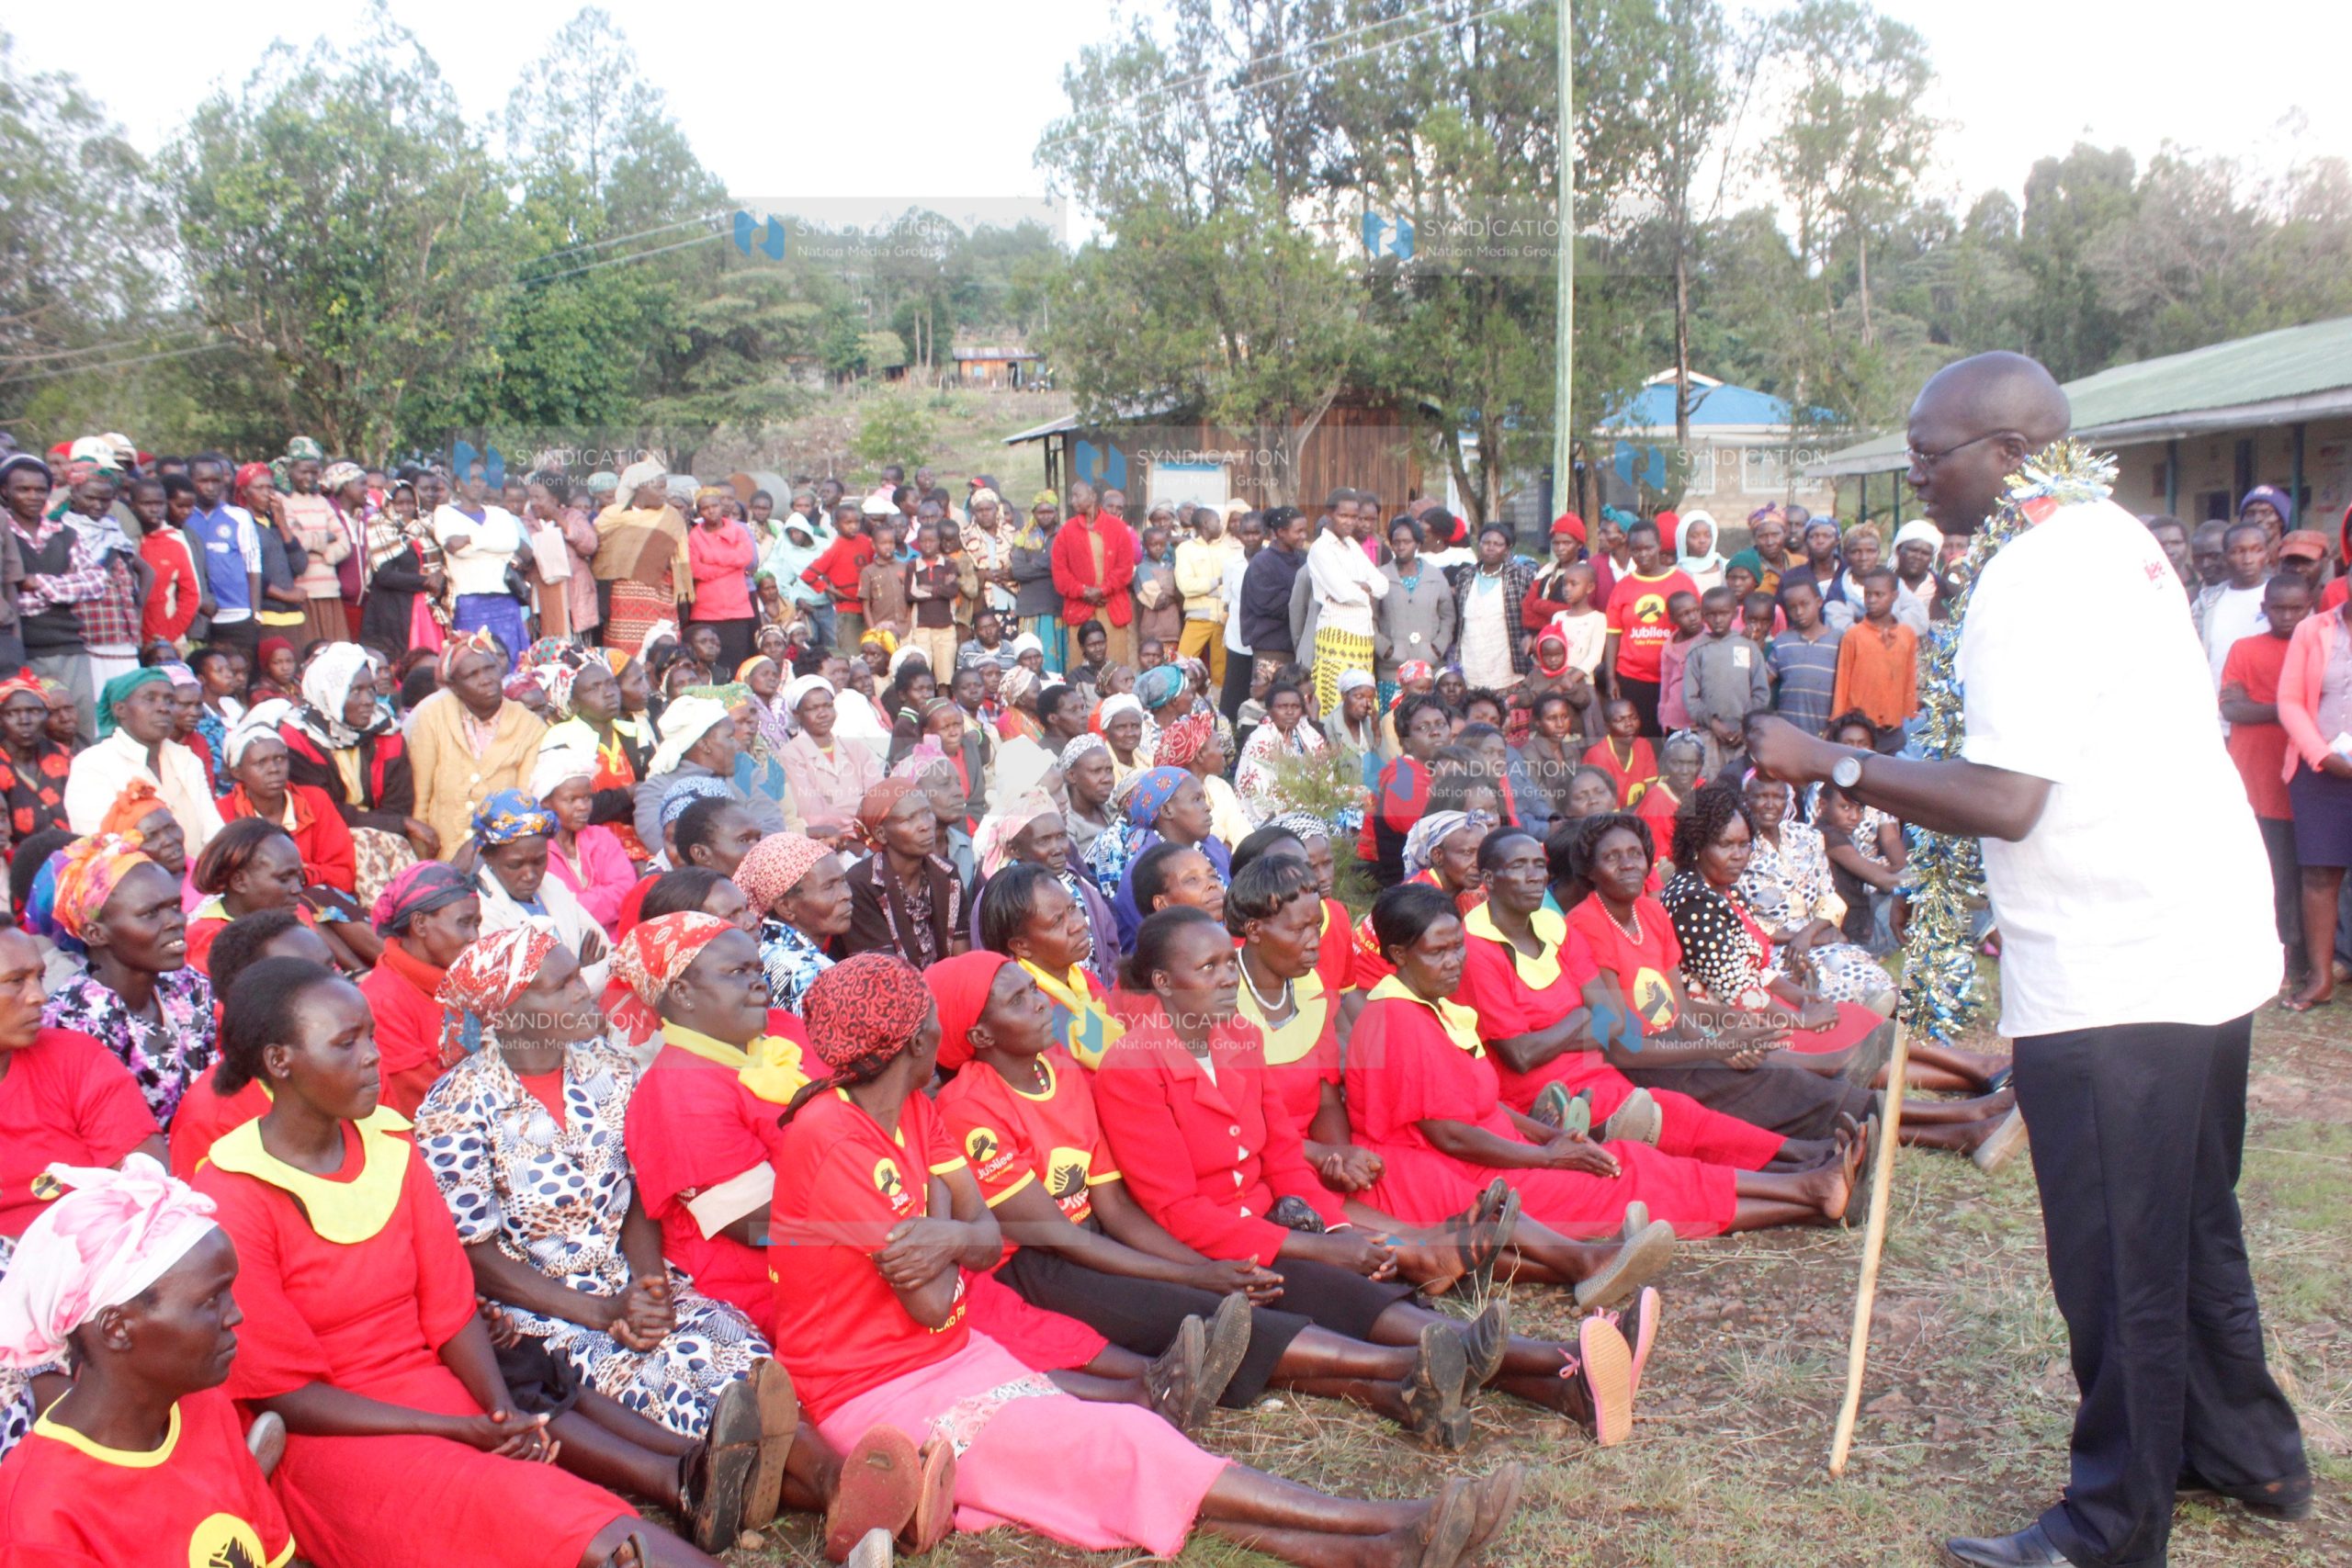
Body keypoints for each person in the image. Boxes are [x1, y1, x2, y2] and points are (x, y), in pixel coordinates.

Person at [1746, 351, 2306, 1568]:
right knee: (2194, 1215)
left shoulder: (2034, 571)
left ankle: (2114, 1521)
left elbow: (2005, 798)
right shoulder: (2108, 529)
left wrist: (1825, 759)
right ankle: (2246, 1448)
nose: (1911, 470)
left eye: (1928, 450)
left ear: (2004, 455)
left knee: (2118, 1250)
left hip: (2121, 959)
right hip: (2196, 926)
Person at [773, 951, 1522, 1564]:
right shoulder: (834, 1139)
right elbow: (938, 1293)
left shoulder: (911, 1107)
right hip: (873, 1389)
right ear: (915, 1039)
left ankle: (1371, 1546)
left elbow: (980, 1238)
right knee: (1119, 1442)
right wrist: (953, 1228)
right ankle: (1383, 1522)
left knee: (1130, 1446)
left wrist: (947, 1235)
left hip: (951, 1353)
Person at [190, 957, 730, 1568]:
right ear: (278, 1061)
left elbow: (449, 1310)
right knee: (545, 1517)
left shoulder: (391, 1147)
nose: (373, 1055)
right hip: (334, 1434)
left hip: (435, 1393)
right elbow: (286, 1394)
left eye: (370, 1033)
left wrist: (502, 1413)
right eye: (347, 1042)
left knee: (564, 1508)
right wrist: (453, 1428)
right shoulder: (233, 1191)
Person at [931, 946, 1499, 1445]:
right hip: (1040, 1265)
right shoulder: (969, 1109)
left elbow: (1114, 1206)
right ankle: (1416, 1362)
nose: (1038, 1001)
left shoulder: (1060, 1068)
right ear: (980, 1037)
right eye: (1017, 999)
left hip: (1097, 1239)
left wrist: (1204, 1263)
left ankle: (1413, 1381)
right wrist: (1194, 1275)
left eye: (1033, 988)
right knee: (1208, 1310)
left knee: (1264, 1284)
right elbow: (1058, 1238)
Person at [416, 930, 797, 1513]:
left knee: (742, 1360)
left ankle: (820, 1479)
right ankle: (804, 1486)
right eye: (563, 985)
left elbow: (639, 1192)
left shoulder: (611, 1073)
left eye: (578, 977)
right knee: (671, 1385)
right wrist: (602, 1313)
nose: (584, 993)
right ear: (512, 1012)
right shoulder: (456, 1106)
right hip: (543, 1310)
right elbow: (474, 1254)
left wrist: (647, 1288)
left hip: (630, 1280)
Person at [0, 1156, 300, 1565]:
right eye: (212, 1299)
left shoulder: (204, 1409)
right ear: (117, 1328)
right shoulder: (44, 1514)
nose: (235, 1315)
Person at [39, 834, 216, 1126]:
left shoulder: (190, 986)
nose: (176, 921)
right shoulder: (73, 1022)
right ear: (96, 933)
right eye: (150, 914)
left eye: (175, 906)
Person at [279, 642, 432, 899]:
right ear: (330, 694)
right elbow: (322, 810)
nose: (368, 701)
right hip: (320, 840)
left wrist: (394, 822)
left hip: (384, 836)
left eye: (370, 690)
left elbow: (399, 804)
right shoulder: (298, 737)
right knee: (363, 845)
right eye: (355, 691)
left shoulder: (386, 732)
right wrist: (396, 823)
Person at [2218, 574, 2309, 989]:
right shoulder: (2245, 649)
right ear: (2264, 608)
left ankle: (2297, 953)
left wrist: (2270, 708)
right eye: (2279, 608)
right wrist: (2292, 708)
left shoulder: (2315, 647)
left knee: (2297, 873)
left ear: (2310, 607)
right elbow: (2233, 708)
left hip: (2302, 778)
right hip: (2253, 775)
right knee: (2263, 870)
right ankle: (2264, 952)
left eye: (2297, 608)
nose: (2287, 616)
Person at [2276, 563, 2352, 1012]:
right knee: (2321, 874)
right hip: (2320, 768)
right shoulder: (2312, 630)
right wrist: (2321, 755)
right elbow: (2289, 700)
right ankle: (2320, 978)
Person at [358, 861, 484, 1116]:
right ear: (419, 924)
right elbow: (427, 1102)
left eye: (477, 924)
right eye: (464, 923)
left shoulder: (461, 980)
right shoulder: (381, 1002)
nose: (474, 937)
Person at [410, 633, 549, 856]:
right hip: (442, 856)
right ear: (454, 686)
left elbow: (523, 802)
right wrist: (423, 860)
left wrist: (482, 850)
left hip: (502, 857)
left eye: (490, 668)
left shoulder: (529, 725)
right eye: (472, 675)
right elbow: (421, 797)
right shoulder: (432, 716)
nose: (485, 679)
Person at [65, 668, 224, 853]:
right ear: (120, 709)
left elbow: (214, 834)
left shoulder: (188, 760)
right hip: (133, 879)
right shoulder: (93, 764)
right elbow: (100, 846)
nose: (163, 708)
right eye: (150, 699)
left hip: (197, 878)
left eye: (170, 700)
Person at [220, 714, 358, 895]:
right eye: (261, 763)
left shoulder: (315, 800)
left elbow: (344, 874)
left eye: (280, 759)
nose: (274, 769)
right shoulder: (223, 812)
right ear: (237, 772)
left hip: (320, 899)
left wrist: (300, 876)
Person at [843, 779, 964, 969]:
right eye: (910, 819)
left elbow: (962, 956)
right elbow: (882, 971)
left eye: (927, 813)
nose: (925, 825)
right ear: (881, 834)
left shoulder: (947, 873)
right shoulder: (862, 883)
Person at [431, 470, 530, 669]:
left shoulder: (500, 514)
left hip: (505, 600)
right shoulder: (444, 513)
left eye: (481, 479)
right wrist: (492, 543)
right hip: (469, 602)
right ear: (458, 482)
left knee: (512, 660)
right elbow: (453, 548)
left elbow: (510, 543)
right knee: (474, 660)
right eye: (471, 478)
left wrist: (469, 539)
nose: (477, 483)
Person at [594, 462, 694, 659]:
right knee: (623, 658)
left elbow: (680, 563)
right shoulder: (610, 517)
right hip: (621, 603)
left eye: (665, 488)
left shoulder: (671, 517)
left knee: (662, 654)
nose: (664, 494)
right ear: (640, 486)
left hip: (661, 599)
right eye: (659, 488)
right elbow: (603, 563)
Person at [1306, 491, 1388, 716]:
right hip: (1336, 635)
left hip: (1362, 638)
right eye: (1344, 516)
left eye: (1354, 517)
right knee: (1335, 707)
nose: (1350, 522)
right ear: (1330, 514)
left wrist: (1362, 587)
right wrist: (1364, 591)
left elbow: (1383, 585)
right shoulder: (1321, 548)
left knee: (1363, 706)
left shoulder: (1352, 545)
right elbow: (1344, 593)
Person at [1051, 480, 1139, 669]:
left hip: (1112, 607)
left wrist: (1103, 590)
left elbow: (1125, 568)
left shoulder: (1117, 528)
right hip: (1080, 608)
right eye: (1071, 495)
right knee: (1079, 667)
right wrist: (1084, 592)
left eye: (1077, 495)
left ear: (1092, 497)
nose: (1071, 500)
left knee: (1115, 666)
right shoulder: (1066, 531)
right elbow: (1060, 574)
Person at [1827, 567, 1918, 739]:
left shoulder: (1907, 635)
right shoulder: (1853, 635)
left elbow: (1910, 678)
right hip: (1860, 725)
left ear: (1894, 596)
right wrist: (1838, 720)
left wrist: (1910, 715)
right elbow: (1842, 681)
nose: (1871, 600)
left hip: (1894, 725)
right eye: (1868, 594)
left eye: (1879, 595)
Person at [1453, 524, 1534, 696]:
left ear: (1507, 549)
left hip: (1507, 664)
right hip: (1471, 661)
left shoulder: (1521, 576)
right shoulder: (1465, 576)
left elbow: (1531, 613)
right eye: (1486, 542)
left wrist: (1530, 636)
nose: (1491, 548)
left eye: (1497, 544)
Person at [1234, 681, 1330, 823]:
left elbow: (1326, 775)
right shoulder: (1261, 740)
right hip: (1269, 821)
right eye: (1282, 707)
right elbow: (1263, 799)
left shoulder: (1306, 733)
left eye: (1295, 707)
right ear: (1269, 710)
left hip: (1309, 811)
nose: (1290, 712)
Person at [684, 488, 758, 672]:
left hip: (737, 608)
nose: (711, 511)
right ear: (699, 512)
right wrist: (730, 566)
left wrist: (712, 559)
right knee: (710, 663)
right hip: (706, 610)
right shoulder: (694, 536)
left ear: (721, 506)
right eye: (705, 508)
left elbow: (746, 558)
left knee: (737, 661)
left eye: (715, 505)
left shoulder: (739, 531)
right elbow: (697, 570)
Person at [0, 670, 72, 840]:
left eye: (34, 711)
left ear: (47, 715)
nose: (24, 720)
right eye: (12, 713)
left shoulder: (66, 758)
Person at [2200, 520, 2272, 689]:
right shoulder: (2207, 602)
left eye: (2257, 550)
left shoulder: (2285, 596)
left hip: (2269, 703)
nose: (2248, 560)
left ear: (2267, 555)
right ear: (2225, 558)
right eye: (2238, 552)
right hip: (2215, 704)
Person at [1673, 511, 1725, 594]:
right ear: (1683, 540)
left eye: (1707, 535)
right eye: (1694, 536)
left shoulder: (1727, 567)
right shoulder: (1674, 574)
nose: (1702, 541)